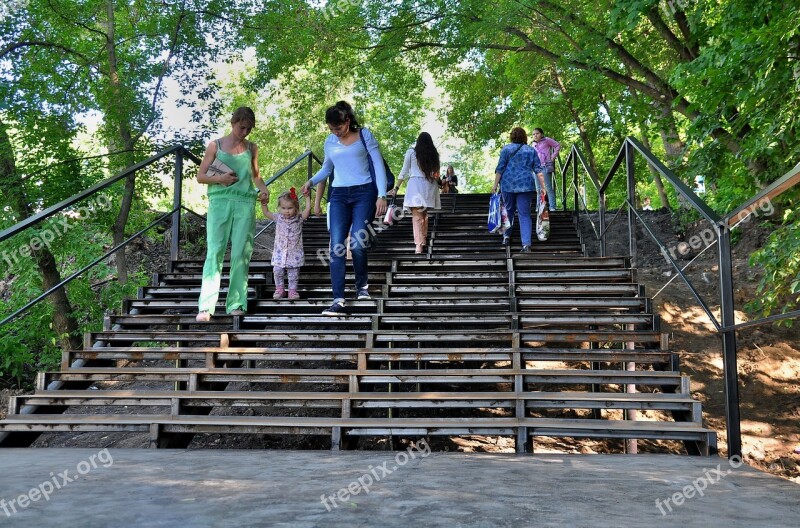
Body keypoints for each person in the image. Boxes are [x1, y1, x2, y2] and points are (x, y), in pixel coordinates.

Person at [301, 101, 389, 316]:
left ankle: (362, 287)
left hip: (364, 192)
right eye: (331, 129)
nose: (335, 132)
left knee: (358, 244)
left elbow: (378, 164)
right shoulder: (330, 142)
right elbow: (327, 169)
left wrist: (382, 195)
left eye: (338, 128)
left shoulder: (365, 135)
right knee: (335, 246)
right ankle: (338, 299)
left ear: (347, 121)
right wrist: (310, 182)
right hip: (339, 194)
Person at [195, 106, 268, 322]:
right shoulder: (214, 146)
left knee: (241, 254)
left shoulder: (252, 148)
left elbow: (256, 177)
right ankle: (206, 307)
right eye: (241, 127)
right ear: (233, 123)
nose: (244, 132)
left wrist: (263, 189)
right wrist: (220, 179)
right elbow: (201, 176)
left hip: (245, 203)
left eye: (248, 129)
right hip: (219, 202)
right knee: (215, 251)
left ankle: (236, 302)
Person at [493, 127, 544, 253]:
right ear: (524, 137)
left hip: (508, 184)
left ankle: (506, 237)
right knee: (524, 214)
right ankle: (526, 245)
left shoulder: (506, 149)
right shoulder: (531, 150)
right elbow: (538, 169)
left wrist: (495, 185)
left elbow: (500, 168)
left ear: (512, 137)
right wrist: (543, 187)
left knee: (508, 210)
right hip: (526, 185)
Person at [390, 132, 441, 254]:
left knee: (417, 216)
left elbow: (404, 171)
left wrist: (396, 187)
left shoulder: (411, 152)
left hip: (415, 186)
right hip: (429, 185)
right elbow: (437, 174)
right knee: (423, 215)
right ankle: (422, 241)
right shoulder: (434, 155)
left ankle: (419, 245)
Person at [261, 187, 312, 300]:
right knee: (277, 271)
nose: (286, 211)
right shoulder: (278, 218)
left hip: (294, 254)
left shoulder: (299, 218)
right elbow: (266, 212)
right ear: (279, 208)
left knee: (293, 273)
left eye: (290, 208)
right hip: (280, 253)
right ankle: (279, 289)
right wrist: (264, 203)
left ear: (296, 208)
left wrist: (307, 197)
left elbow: (307, 211)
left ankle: (292, 291)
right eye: (283, 208)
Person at [531, 128, 561, 211]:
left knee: (548, 187)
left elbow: (557, 145)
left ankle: (552, 207)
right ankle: (538, 207)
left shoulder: (547, 140)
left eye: (537, 133)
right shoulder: (533, 144)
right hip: (536, 168)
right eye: (533, 134)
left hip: (545, 166)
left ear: (541, 134)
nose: (535, 135)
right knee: (538, 189)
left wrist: (553, 157)